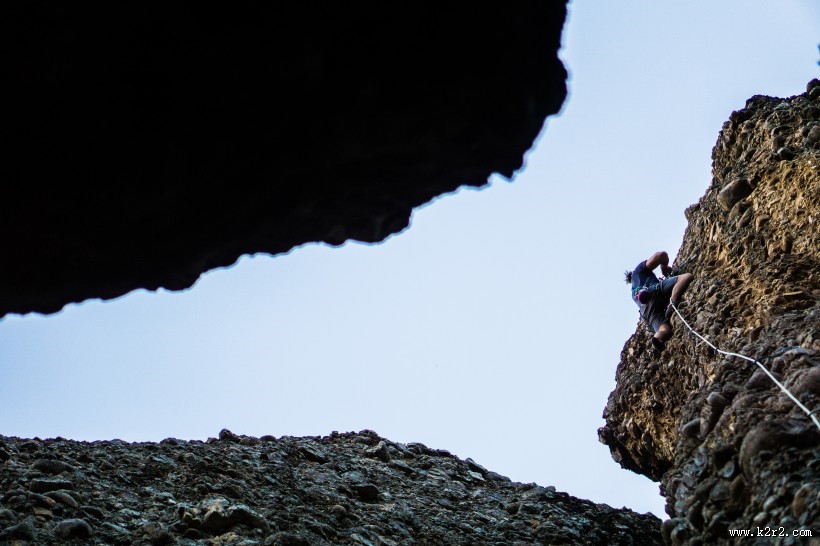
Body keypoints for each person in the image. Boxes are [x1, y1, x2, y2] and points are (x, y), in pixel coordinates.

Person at [624, 251, 693, 353]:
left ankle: (658, 338)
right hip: (653, 291)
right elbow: (661, 255)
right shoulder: (638, 271)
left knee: (664, 329)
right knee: (686, 277)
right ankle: (673, 301)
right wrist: (663, 267)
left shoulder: (633, 292)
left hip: (647, 312)